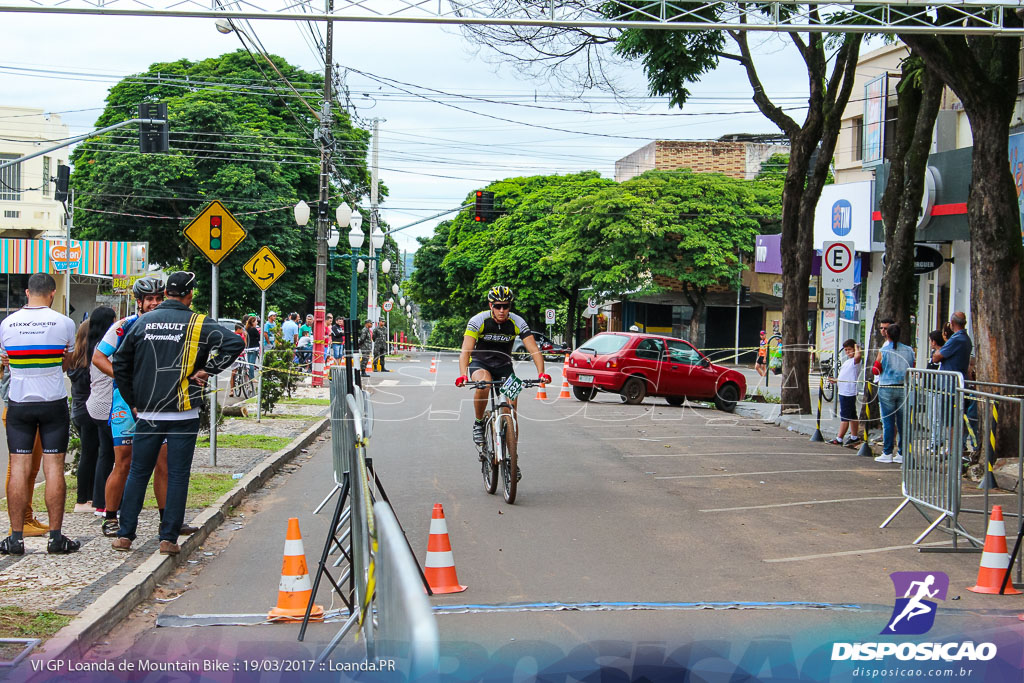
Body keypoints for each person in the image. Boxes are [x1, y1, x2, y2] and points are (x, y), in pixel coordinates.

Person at [111, 271, 244, 555]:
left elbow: (120, 362)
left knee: (138, 471)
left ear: (166, 292)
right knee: (178, 474)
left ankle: (125, 534)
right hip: (183, 412)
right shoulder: (198, 323)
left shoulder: (143, 322)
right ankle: (168, 538)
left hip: (148, 411)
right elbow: (235, 343)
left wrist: (133, 400)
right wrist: (208, 370)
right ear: (190, 294)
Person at [93, 279, 183, 538]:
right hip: (125, 401)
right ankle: (111, 517)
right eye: (149, 299)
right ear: (139, 302)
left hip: (158, 401)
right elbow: (98, 357)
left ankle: (167, 521)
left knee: (163, 462)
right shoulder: (123, 326)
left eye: (158, 298)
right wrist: (124, 379)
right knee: (123, 461)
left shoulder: (168, 324)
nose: (154, 303)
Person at [0, 273, 79, 554]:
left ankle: (16, 538)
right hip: (53, 401)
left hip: (20, 401)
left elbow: (5, 361)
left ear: (26, 292)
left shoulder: (7, 324)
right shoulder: (65, 323)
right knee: (54, 467)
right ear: (52, 293)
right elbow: (66, 364)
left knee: (19, 468)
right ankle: (56, 538)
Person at [455, 286, 551, 479]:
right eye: (498, 306)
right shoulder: (478, 321)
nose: (501, 310)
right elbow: (466, 350)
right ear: (491, 305)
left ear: (509, 306)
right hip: (481, 364)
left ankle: (512, 457)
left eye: (505, 306)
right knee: (484, 381)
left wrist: (542, 374)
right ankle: (479, 423)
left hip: (505, 367)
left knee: (511, 410)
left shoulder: (517, 322)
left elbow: (533, 350)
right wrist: (463, 374)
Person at [872, 323, 916, 464]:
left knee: (888, 421)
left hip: (887, 387)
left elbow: (876, 370)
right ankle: (902, 453)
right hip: (904, 387)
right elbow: (912, 366)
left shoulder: (884, 350)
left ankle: (888, 452)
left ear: (888, 335)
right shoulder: (909, 350)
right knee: (903, 422)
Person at [67, 321, 98, 513]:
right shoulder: (91, 360)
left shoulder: (74, 359)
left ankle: (88, 496)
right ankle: (83, 498)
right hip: (89, 411)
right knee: (90, 454)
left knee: (90, 453)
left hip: (78, 411)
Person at [829, 339, 862, 446]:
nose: (848, 352)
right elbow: (845, 375)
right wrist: (836, 380)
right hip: (843, 390)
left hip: (848, 392)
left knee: (845, 417)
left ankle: (839, 438)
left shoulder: (855, 361)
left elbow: (857, 357)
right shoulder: (847, 362)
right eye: (846, 350)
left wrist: (857, 348)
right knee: (852, 415)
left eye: (850, 350)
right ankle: (854, 437)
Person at [932, 311, 971, 377]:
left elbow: (935, 358)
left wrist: (938, 350)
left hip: (950, 383)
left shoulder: (956, 339)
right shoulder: (966, 339)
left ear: (952, 322)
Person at [244, 315, 260, 381]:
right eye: (256, 321)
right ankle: (252, 377)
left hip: (248, 348)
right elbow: (259, 337)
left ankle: (249, 376)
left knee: (249, 363)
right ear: (253, 322)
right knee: (252, 364)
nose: (257, 323)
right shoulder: (253, 329)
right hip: (254, 348)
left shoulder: (247, 329)